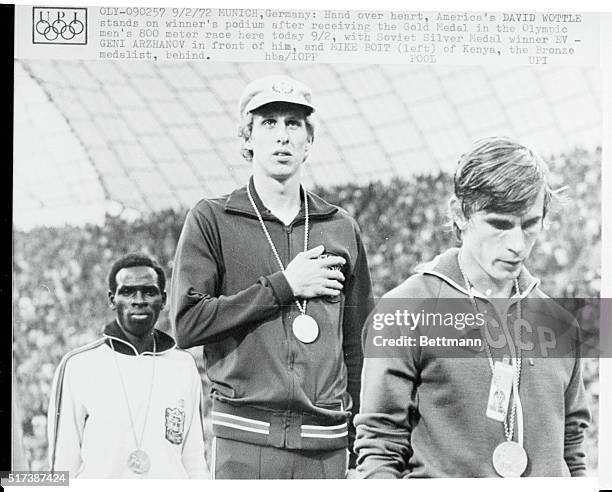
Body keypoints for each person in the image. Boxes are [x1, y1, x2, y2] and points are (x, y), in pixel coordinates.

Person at [170, 75, 374, 479]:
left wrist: (356, 443)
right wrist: (285, 286)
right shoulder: (212, 219)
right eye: (268, 123)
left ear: (308, 141)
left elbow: (357, 342)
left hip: (327, 443)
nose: (282, 136)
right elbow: (187, 323)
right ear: (247, 139)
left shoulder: (340, 226)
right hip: (244, 438)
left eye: (293, 124)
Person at [354, 136, 590, 478]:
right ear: (460, 214)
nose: (517, 245)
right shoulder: (405, 309)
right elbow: (379, 450)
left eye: (529, 225)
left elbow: (573, 451)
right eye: (499, 224)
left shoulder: (560, 321)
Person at [47, 253, 208, 478]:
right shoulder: (78, 366)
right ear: (112, 299)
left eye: (149, 292)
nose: (139, 300)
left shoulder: (184, 365)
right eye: (127, 291)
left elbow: (195, 461)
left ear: (163, 299)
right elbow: (63, 465)